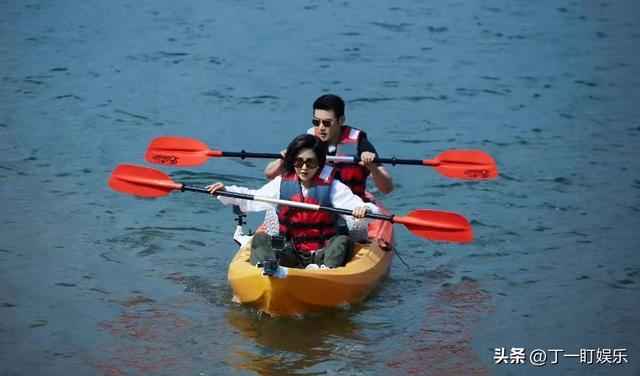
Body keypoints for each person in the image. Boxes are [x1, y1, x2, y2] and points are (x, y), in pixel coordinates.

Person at [206, 134, 380, 269]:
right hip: (291, 250)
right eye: (299, 162)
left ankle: (325, 273)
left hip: (323, 253)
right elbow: (252, 199)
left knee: (342, 241)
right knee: (259, 238)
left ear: (319, 164)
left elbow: (362, 208)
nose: (304, 168)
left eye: (310, 163)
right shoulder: (281, 183)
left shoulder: (334, 187)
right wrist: (226, 191)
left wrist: (364, 210)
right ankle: (266, 271)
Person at [265, 94, 394, 199]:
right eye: (316, 122)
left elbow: (387, 189)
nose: (321, 128)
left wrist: (372, 167)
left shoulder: (361, 144)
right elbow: (269, 174)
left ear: (341, 120)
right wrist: (282, 159)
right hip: (318, 205)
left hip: (352, 206)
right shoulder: (308, 142)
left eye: (327, 123)